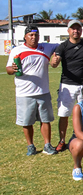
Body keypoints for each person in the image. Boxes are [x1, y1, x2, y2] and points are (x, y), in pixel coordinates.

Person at [6, 26, 58, 156]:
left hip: (43, 91)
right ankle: (31, 146)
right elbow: (8, 70)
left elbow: (63, 46)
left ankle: (47, 145)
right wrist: (12, 69)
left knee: (45, 120)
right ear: (25, 36)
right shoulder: (17, 50)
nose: (33, 38)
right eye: (30, 35)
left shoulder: (46, 47)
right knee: (27, 121)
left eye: (36, 35)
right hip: (24, 93)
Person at [50, 20, 83, 152]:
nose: (76, 31)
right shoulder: (63, 46)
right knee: (64, 114)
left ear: (81, 31)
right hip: (67, 85)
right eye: (73, 29)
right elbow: (54, 63)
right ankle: (62, 140)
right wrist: (54, 62)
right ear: (68, 31)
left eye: (78, 29)